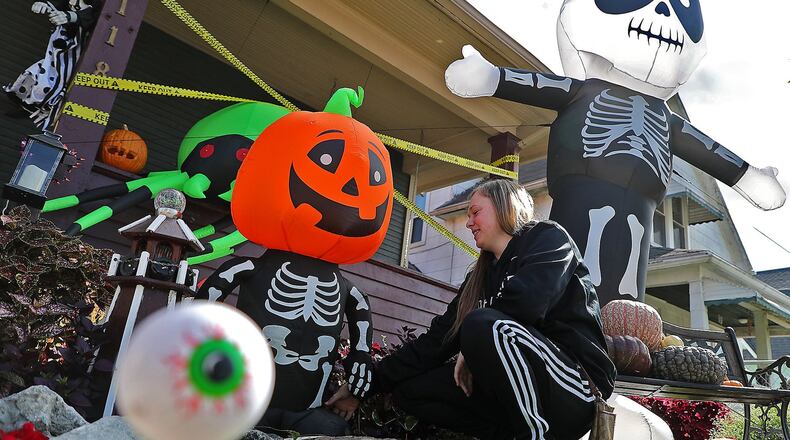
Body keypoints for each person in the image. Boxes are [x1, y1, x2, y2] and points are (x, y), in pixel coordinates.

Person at [327, 178, 616, 439]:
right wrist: (364, 387)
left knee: (483, 324)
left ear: (506, 206)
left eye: (476, 212)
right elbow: (436, 342)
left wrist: (474, 341)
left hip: (576, 389)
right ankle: (508, 434)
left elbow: (529, 301)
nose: (469, 223)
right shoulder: (479, 278)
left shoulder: (547, 238)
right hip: (513, 396)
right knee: (412, 392)